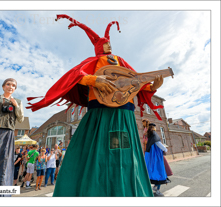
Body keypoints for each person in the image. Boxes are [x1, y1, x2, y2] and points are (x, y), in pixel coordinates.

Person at [27, 14, 165, 197]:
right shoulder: (92, 62)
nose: (108, 44)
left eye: (109, 42)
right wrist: (94, 80)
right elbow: (74, 77)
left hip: (124, 114)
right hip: (100, 113)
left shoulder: (121, 61)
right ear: (98, 46)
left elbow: (136, 80)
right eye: (104, 42)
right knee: (94, 154)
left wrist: (152, 86)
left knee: (125, 156)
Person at [144, 123, 168, 197]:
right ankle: (157, 190)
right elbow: (158, 143)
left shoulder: (149, 135)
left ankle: (155, 187)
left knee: (154, 171)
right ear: (154, 127)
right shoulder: (154, 134)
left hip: (150, 156)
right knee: (159, 172)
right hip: (156, 157)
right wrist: (165, 149)